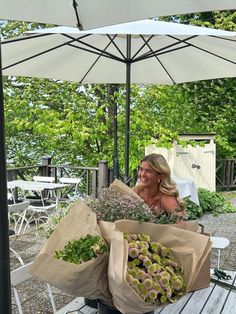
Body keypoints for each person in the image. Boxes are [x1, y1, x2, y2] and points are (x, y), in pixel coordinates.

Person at [133, 153, 185, 220]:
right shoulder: (136, 191)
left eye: (148, 171)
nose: (143, 174)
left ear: (160, 175)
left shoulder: (166, 198)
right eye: (141, 169)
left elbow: (182, 224)